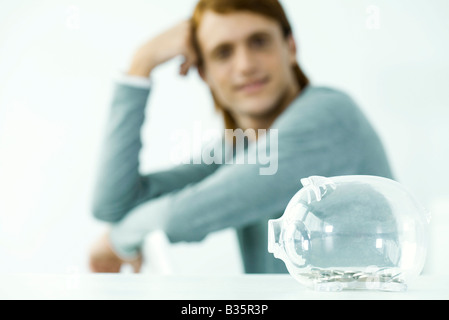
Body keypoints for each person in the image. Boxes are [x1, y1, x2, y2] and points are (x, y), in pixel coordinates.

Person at [89, 0, 394, 274]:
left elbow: (181, 218)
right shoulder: (238, 148)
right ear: (204, 72)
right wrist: (140, 65)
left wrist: (116, 241)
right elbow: (112, 204)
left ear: (291, 47)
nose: (246, 65)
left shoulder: (329, 116)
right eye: (223, 53)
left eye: (259, 42)